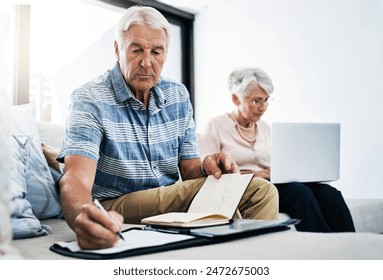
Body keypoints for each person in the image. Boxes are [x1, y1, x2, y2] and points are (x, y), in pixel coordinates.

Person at [55, 6, 279, 250]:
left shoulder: (178, 95)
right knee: (255, 188)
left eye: (157, 52)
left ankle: (250, 259)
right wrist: (83, 218)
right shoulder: (90, 98)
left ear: (166, 53)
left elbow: (191, 169)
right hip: (114, 204)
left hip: (169, 197)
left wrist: (207, 165)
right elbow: (75, 177)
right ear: (118, 49)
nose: (147, 62)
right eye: (136, 49)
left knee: (262, 192)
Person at [199, 66, 355, 233]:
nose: (263, 107)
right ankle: (323, 249)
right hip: (249, 190)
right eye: (256, 100)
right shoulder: (215, 126)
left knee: (329, 194)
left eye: (266, 100)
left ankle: (351, 247)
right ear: (236, 99)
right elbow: (207, 173)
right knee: (299, 193)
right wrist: (254, 175)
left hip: (274, 184)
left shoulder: (265, 128)